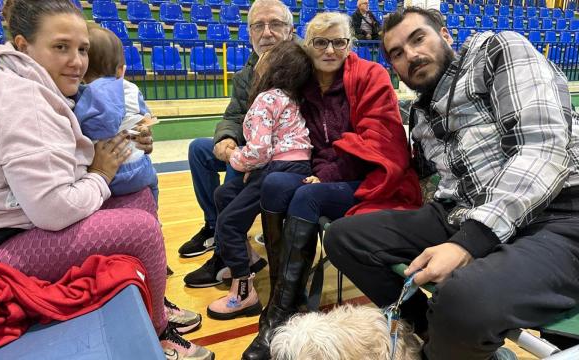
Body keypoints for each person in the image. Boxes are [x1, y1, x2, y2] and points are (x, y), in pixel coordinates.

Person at [0, 1, 212, 359]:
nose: (77, 61)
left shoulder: (31, 85)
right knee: (141, 229)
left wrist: (123, 145)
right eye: (61, 47)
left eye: (82, 49)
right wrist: (100, 173)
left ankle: (153, 296)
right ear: (23, 46)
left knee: (139, 196)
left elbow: (56, 166)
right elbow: (52, 210)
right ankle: (160, 331)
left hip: (5, 224)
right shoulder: (21, 100)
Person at [324, 7, 579, 360]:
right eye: (396, 54)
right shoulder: (420, 113)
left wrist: (468, 243)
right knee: (344, 236)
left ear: (445, 36)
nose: (410, 55)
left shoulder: (497, 49)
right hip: (464, 209)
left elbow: (544, 149)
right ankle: (428, 336)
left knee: (462, 300)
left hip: (558, 213)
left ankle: (451, 339)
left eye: (418, 39)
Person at [242, 12, 421, 360]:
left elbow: (381, 138)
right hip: (324, 173)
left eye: (339, 42)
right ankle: (287, 299)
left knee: (307, 196)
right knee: (277, 185)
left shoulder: (369, 75)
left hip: (372, 177)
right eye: (320, 42)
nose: (330, 50)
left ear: (350, 44)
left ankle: (277, 316)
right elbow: (303, 138)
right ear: (307, 46)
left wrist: (328, 173)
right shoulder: (303, 84)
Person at [181, 0, 296, 288]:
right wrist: (227, 138)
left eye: (275, 24)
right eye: (258, 25)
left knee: (235, 167)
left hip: (280, 155)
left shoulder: (300, 66)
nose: (266, 32)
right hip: (252, 147)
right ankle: (213, 225)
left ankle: (225, 253)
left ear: (291, 31)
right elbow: (233, 114)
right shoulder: (247, 72)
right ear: (249, 33)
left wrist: (249, 156)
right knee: (199, 149)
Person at [206, 41, 314, 320]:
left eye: (264, 58)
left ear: (272, 68)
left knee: (228, 222)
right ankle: (249, 259)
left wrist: (233, 156)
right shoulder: (293, 97)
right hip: (296, 165)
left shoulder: (266, 98)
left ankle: (244, 292)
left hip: (277, 167)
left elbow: (258, 151)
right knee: (224, 195)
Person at [74, 24, 159, 200]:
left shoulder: (78, 95)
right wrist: (142, 128)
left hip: (103, 175)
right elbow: (145, 119)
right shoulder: (131, 89)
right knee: (153, 185)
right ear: (121, 70)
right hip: (137, 167)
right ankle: (155, 215)